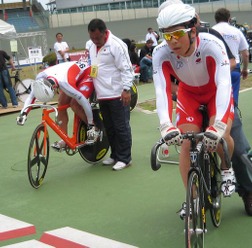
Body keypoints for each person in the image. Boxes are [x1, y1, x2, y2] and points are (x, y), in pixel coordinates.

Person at [153, 3, 235, 218]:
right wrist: (165, 124)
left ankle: (227, 169)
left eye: (177, 34)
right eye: (167, 36)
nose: (172, 41)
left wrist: (217, 126)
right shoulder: (161, 52)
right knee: (187, 141)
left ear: (192, 30)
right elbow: (161, 91)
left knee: (222, 136)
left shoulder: (212, 44)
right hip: (188, 95)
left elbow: (225, 84)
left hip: (216, 92)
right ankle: (193, 197)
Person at [212, 8, 252, 216]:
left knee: (235, 143)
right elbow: (245, 54)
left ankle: (248, 191)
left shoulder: (210, 36)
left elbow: (238, 58)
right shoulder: (236, 32)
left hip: (225, 90)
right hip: (202, 99)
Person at [16, 60, 100, 148]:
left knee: (75, 104)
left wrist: (90, 124)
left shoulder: (65, 84)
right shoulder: (39, 81)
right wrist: (24, 113)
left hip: (85, 74)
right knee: (61, 104)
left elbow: (84, 101)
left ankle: (94, 129)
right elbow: (30, 97)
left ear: (54, 88)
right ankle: (64, 139)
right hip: (66, 74)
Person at [87, 18, 134, 171]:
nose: (95, 41)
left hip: (117, 93)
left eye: (97, 38)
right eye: (92, 38)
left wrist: (126, 90)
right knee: (110, 128)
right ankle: (115, 155)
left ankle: (125, 158)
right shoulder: (91, 45)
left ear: (104, 32)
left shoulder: (117, 45)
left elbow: (127, 69)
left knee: (121, 127)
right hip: (102, 95)